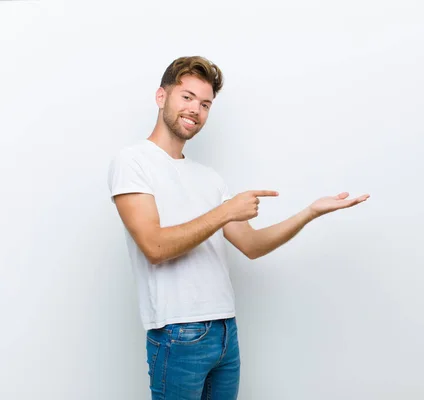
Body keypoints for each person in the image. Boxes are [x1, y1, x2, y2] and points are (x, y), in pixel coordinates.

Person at [107, 56, 369, 400]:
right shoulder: (133, 161)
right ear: (162, 97)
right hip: (178, 331)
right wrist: (225, 211)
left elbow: (253, 245)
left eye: (205, 104)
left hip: (225, 330)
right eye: (186, 97)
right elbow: (154, 247)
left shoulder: (209, 177)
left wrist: (310, 212)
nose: (195, 110)